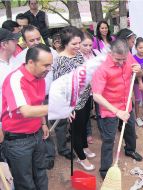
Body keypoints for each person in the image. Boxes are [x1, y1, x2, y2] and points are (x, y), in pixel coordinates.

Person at [2, 44, 51, 190]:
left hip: (37, 134)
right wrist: (58, 108)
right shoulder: (16, 79)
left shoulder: (40, 77)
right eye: (46, 65)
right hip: (18, 140)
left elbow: (38, 102)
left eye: (50, 65)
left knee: (41, 173)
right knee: (25, 181)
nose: (49, 69)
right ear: (31, 62)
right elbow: (26, 111)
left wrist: (43, 123)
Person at [92, 39, 143, 179]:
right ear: (110, 52)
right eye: (117, 59)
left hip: (126, 105)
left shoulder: (128, 57)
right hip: (110, 109)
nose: (121, 62)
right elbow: (96, 95)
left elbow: (138, 72)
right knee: (109, 139)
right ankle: (105, 170)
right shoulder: (102, 69)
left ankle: (130, 150)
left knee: (130, 129)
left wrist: (138, 69)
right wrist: (117, 111)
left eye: (124, 59)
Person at [52, 26, 95, 170]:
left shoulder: (77, 55)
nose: (78, 47)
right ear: (65, 43)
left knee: (83, 126)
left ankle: (84, 147)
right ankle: (81, 158)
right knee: (76, 130)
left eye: (79, 43)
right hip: (73, 103)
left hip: (85, 97)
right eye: (74, 44)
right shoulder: (60, 61)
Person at [0, 28, 21, 143]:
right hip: (4, 123)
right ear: (4, 44)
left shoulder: (16, 62)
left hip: (20, 119)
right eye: (13, 40)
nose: (17, 42)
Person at [80, 31, 100, 143]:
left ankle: (103, 131)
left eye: (90, 45)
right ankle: (88, 133)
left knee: (100, 110)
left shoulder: (96, 53)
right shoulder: (77, 56)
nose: (88, 48)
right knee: (86, 112)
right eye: (85, 45)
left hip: (98, 87)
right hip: (84, 90)